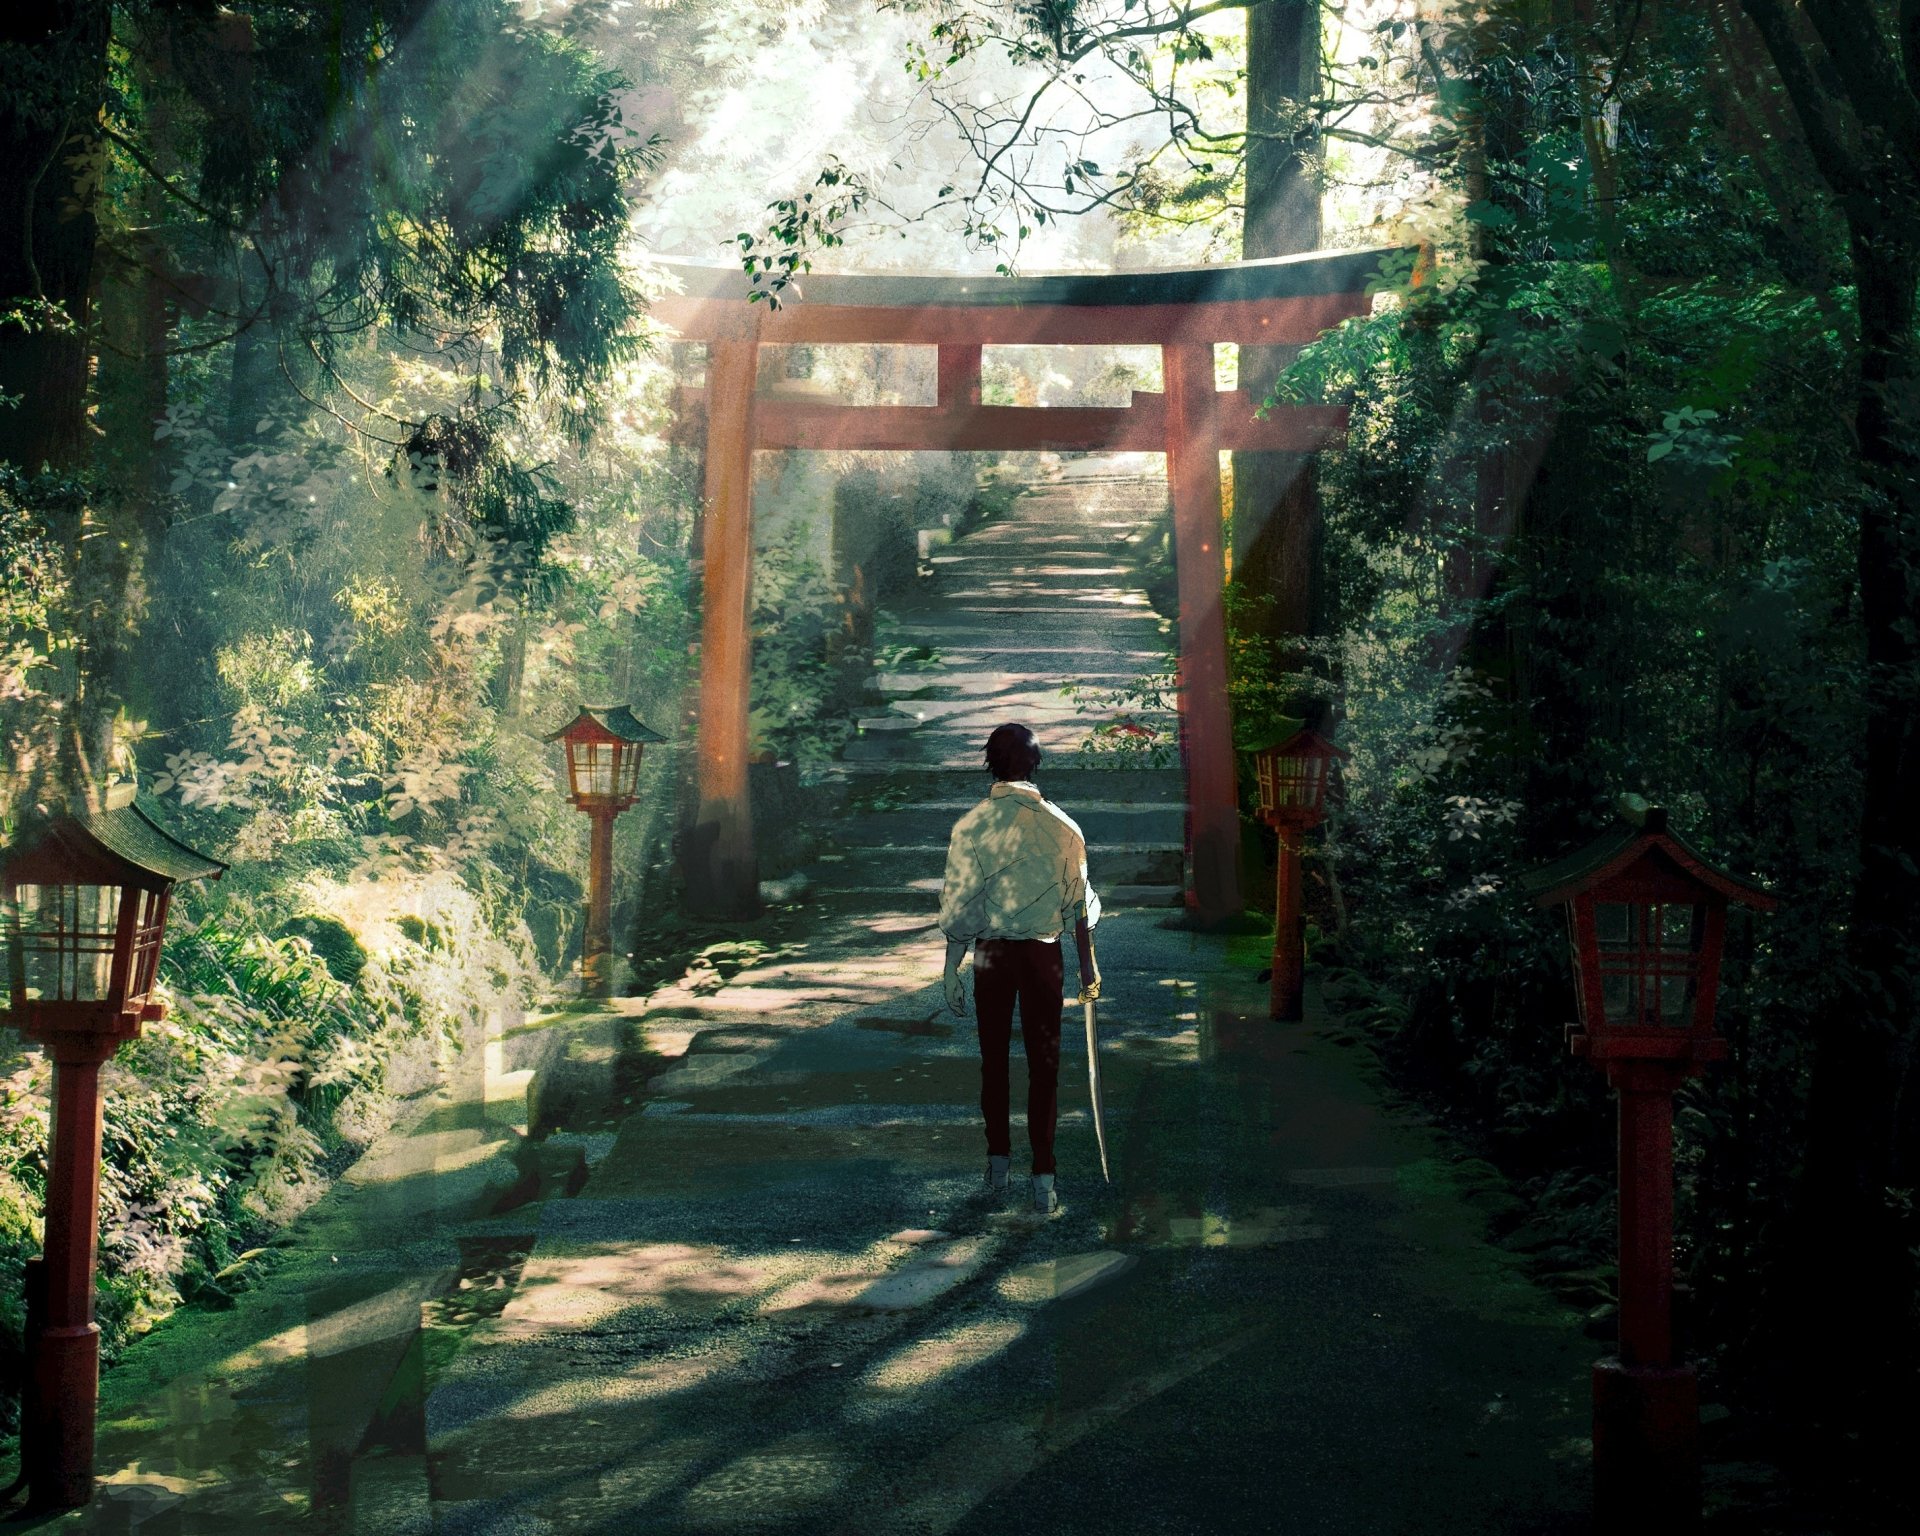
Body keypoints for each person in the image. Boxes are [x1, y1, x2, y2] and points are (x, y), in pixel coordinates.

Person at [938, 722, 1101, 1214]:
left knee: (994, 1061)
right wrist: (1087, 968)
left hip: (992, 954)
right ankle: (1045, 1177)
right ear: (1035, 763)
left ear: (991, 764)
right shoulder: (1064, 826)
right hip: (1042, 954)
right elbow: (1078, 907)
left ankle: (998, 1164)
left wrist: (952, 967)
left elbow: (960, 907)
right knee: (1044, 1065)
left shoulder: (971, 826)